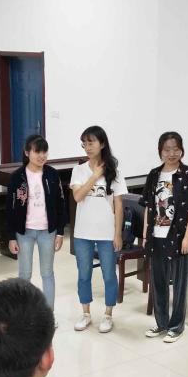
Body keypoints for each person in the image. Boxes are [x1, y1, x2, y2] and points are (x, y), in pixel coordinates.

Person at [140, 131, 188, 342]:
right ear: (160, 151)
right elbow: (149, 206)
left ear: (181, 150)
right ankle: (161, 323)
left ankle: (176, 327)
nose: (171, 153)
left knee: (179, 284)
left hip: (179, 236)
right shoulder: (154, 174)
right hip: (156, 236)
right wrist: (145, 234)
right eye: (167, 149)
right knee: (158, 281)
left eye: (176, 149)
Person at [70, 125, 128, 333]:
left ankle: (108, 314)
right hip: (82, 232)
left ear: (102, 144)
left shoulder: (115, 172)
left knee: (109, 275)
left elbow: (119, 205)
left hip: (106, 233)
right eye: (84, 143)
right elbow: (78, 197)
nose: (87, 147)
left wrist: (118, 233)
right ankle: (86, 313)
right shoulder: (79, 170)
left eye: (91, 142)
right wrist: (94, 176)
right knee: (83, 274)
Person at [6, 134, 68, 311]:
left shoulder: (52, 174)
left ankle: (48, 315)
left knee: (47, 273)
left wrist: (60, 232)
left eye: (44, 152)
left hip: (47, 231)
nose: (42, 156)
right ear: (27, 152)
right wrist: (11, 236)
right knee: (24, 274)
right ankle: (23, 315)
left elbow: (60, 203)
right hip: (24, 232)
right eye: (37, 152)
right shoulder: (17, 177)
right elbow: (10, 208)